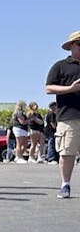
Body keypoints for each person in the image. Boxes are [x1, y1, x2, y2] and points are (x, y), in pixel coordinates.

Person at [44, 29, 80, 199]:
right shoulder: (60, 66)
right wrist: (70, 89)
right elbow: (48, 88)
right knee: (67, 152)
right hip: (68, 116)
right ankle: (65, 184)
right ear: (72, 45)